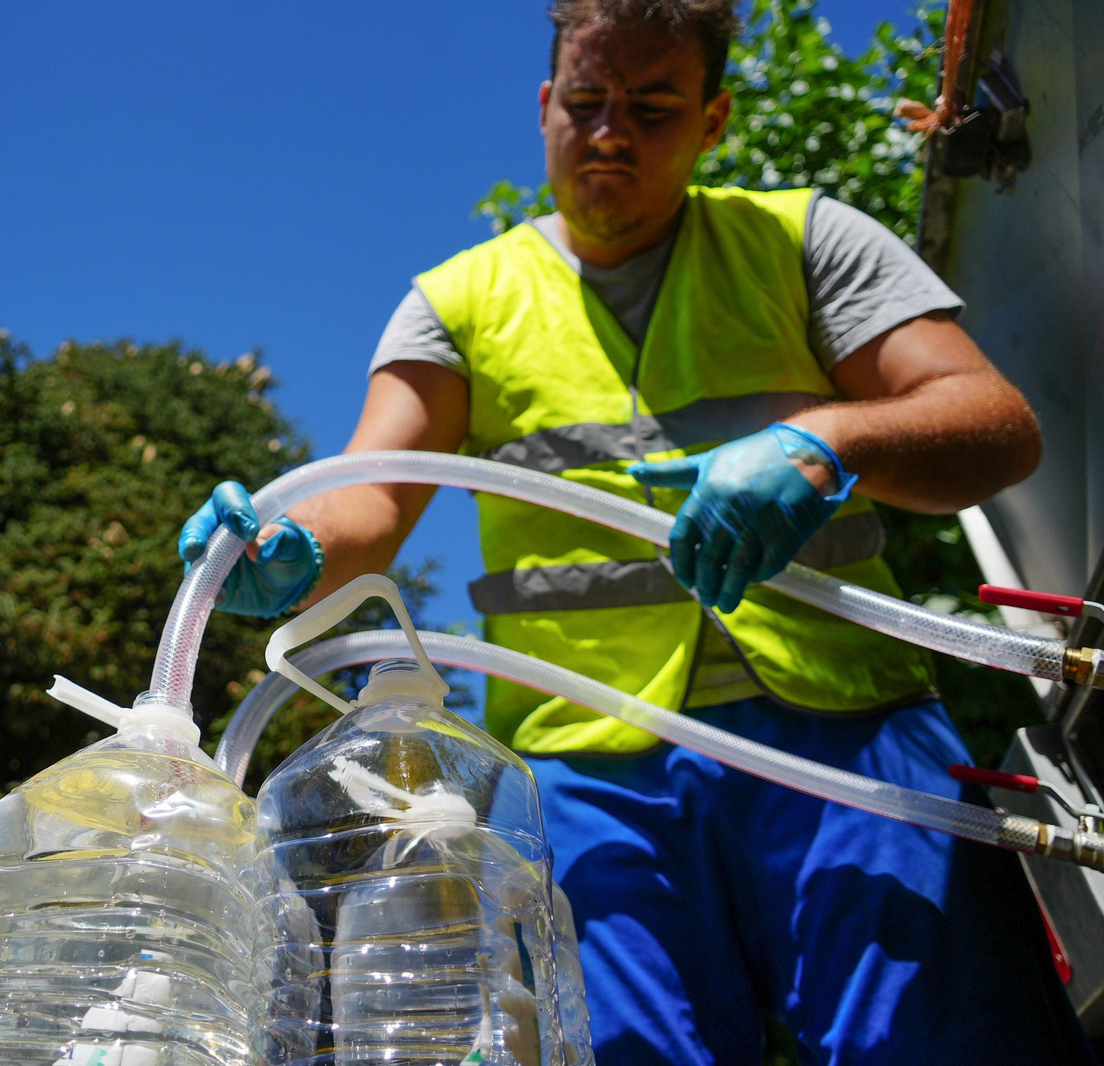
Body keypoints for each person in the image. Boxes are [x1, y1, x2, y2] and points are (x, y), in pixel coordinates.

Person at [180, 2, 1094, 1062]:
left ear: (714, 120)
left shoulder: (804, 240)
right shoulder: (455, 303)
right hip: (585, 771)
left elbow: (992, 425)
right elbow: (372, 497)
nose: (609, 132)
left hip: (849, 732)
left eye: (653, 107)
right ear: (542, 107)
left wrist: (827, 440)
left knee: (951, 1042)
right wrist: (287, 547)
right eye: (585, 102)